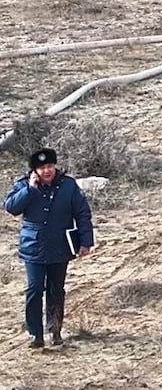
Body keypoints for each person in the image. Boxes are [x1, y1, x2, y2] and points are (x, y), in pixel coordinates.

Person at [4, 148, 93, 349]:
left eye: (50, 166)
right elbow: (11, 207)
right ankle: (35, 334)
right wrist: (29, 189)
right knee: (34, 289)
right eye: (42, 168)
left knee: (56, 290)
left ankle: (55, 330)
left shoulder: (68, 185)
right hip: (33, 247)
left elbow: (82, 214)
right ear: (35, 170)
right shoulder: (24, 185)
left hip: (59, 246)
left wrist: (85, 242)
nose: (47, 171)